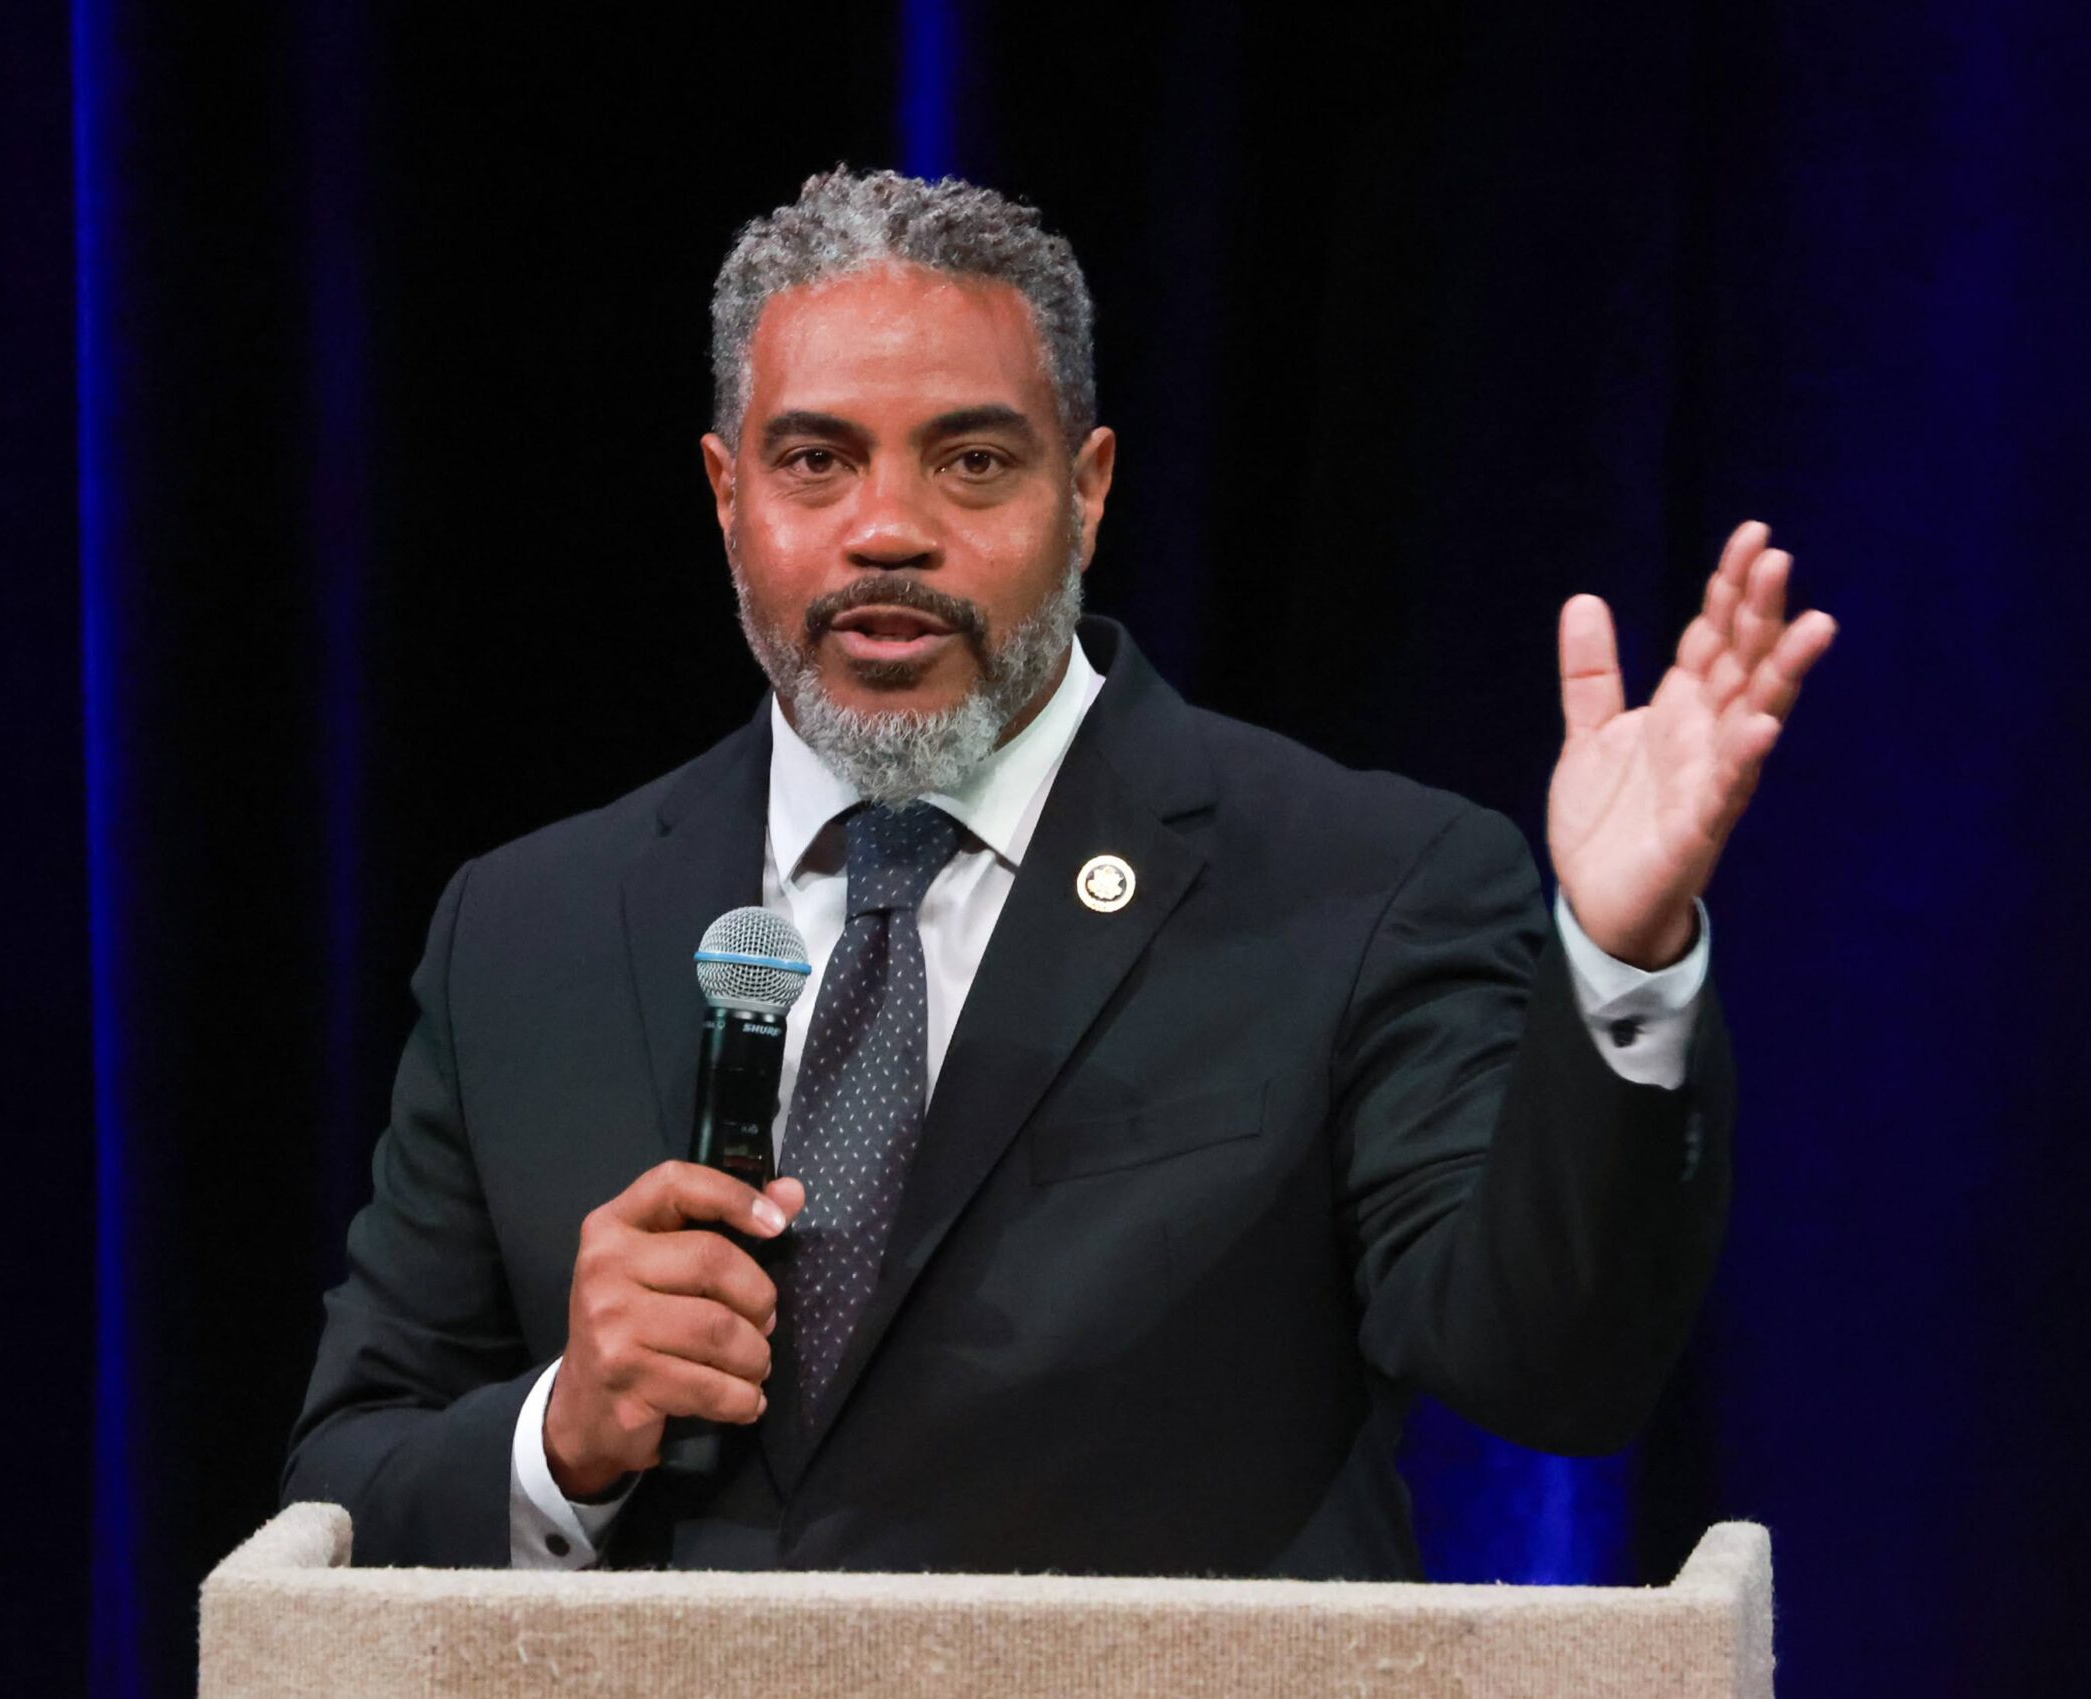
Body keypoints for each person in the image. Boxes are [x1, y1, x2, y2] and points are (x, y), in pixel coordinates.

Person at [281, 167, 1835, 1577]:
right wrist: (563, 1434)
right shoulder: (530, 930)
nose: (888, 529)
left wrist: (1622, 960)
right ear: (726, 496)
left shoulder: (1360, 881)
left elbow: (1549, 1365)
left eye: (970, 462)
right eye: (817, 461)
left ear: (1085, 491)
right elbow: (342, 1486)